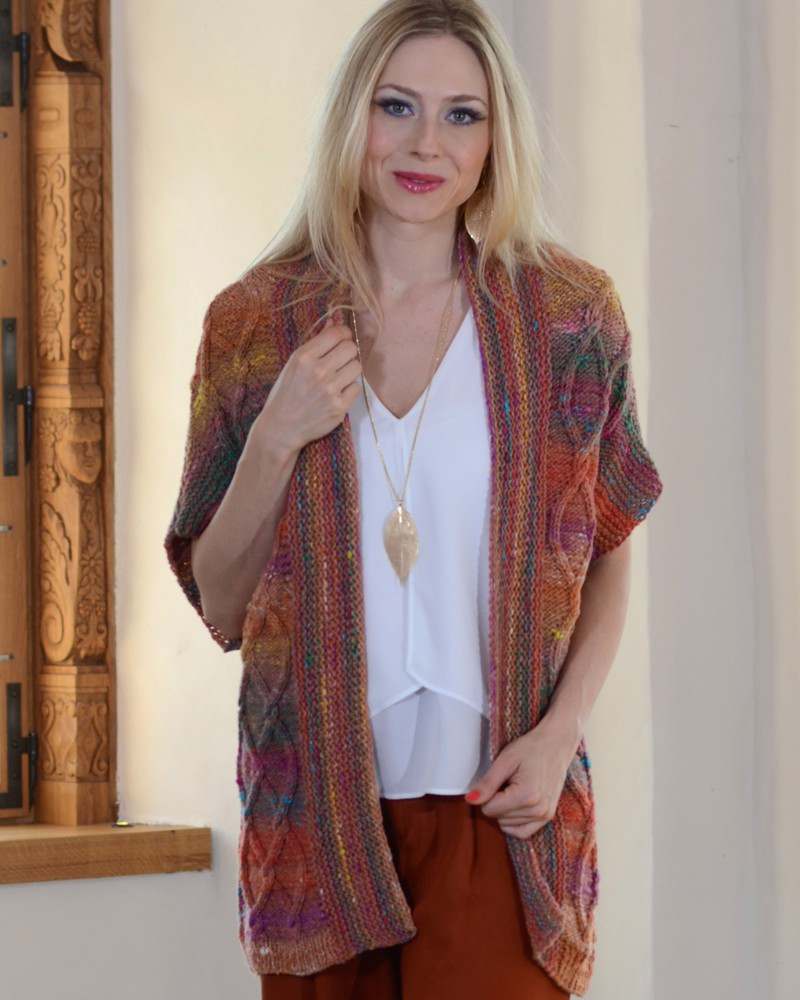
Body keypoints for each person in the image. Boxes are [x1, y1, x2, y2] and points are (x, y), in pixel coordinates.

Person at [163, 1, 664, 997]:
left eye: (461, 115)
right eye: (396, 106)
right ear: (351, 116)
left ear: (494, 139)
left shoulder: (569, 318)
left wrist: (561, 733)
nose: (426, 143)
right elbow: (219, 602)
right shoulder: (253, 325)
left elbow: (609, 543)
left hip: (501, 814)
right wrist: (274, 436)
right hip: (314, 829)